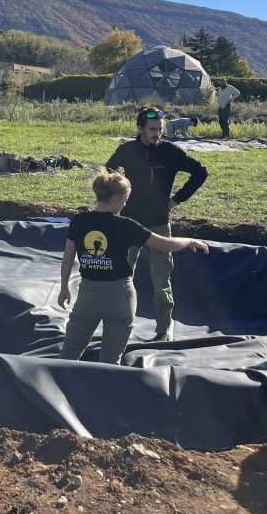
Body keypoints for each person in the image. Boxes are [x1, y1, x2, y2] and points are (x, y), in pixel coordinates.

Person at [57, 171, 210, 364]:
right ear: (116, 199)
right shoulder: (126, 225)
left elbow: (67, 259)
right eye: (125, 200)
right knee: (111, 362)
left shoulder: (79, 221)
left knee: (67, 355)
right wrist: (188, 240)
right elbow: (165, 245)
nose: (125, 205)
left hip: (88, 295)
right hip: (120, 296)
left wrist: (64, 288)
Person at [104, 106, 209, 342]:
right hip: (128, 223)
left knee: (161, 280)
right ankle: (118, 325)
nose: (157, 134)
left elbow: (201, 172)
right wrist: (116, 199)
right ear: (140, 128)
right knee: (120, 277)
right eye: (152, 129)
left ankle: (163, 331)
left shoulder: (171, 152)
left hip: (159, 224)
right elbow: (108, 171)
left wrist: (175, 200)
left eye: (160, 129)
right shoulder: (127, 150)